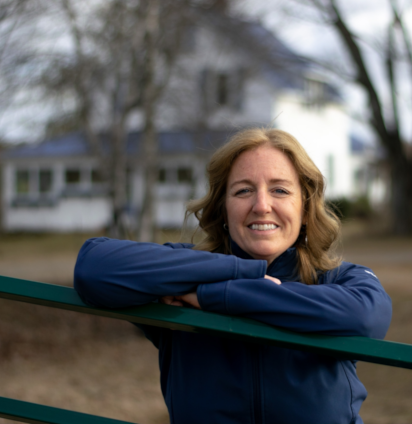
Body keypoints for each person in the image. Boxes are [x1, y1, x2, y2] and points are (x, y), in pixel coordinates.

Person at [74, 128, 392, 424]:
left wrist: (211, 296)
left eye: (280, 190)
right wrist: (240, 271)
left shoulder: (337, 279)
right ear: (223, 208)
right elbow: (93, 268)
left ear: (305, 209)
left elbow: (368, 316)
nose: (261, 205)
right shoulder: (182, 271)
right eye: (243, 191)